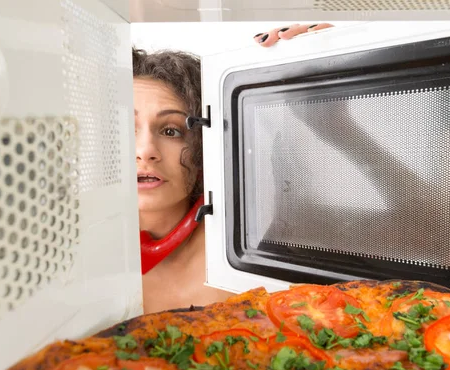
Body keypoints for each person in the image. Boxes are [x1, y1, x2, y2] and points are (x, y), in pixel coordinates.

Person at [133, 23, 333, 314]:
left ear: (205, 146)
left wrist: (338, 120)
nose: (146, 152)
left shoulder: (258, 244)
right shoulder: (67, 254)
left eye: (171, 131)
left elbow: (416, 215)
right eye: (127, 128)